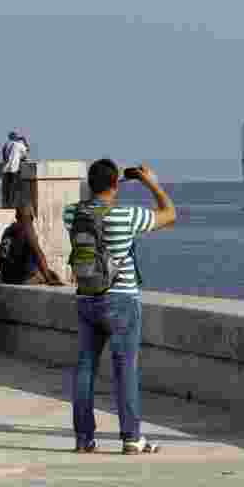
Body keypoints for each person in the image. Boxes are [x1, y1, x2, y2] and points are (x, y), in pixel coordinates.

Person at [64, 160, 176, 455]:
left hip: (87, 298)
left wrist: (108, 183)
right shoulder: (126, 215)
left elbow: (87, 204)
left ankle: (84, 439)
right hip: (121, 300)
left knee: (85, 368)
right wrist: (149, 181)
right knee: (125, 368)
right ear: (116, 184)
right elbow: (170, 214)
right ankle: (131, 437)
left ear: (90, 184)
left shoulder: (72, 213)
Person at [0, 205, 65, 285]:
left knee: (46, 271)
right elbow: (38, 253)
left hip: (6, 277)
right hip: (20, 279)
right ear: (31, 216)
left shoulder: (8, 230)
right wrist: (49, 278)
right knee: (52, 275)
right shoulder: (26, 228)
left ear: (16, 216)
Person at [0, 132, 28, 209]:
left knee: (6, 189)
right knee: (14, 188)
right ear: (16, 137)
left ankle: (6, 205)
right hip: (14, 169)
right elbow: (26, 153)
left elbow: (4, 157)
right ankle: (12, 205)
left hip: (5, 169)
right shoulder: (19, 145)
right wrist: (24, 140)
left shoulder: (6, 145)